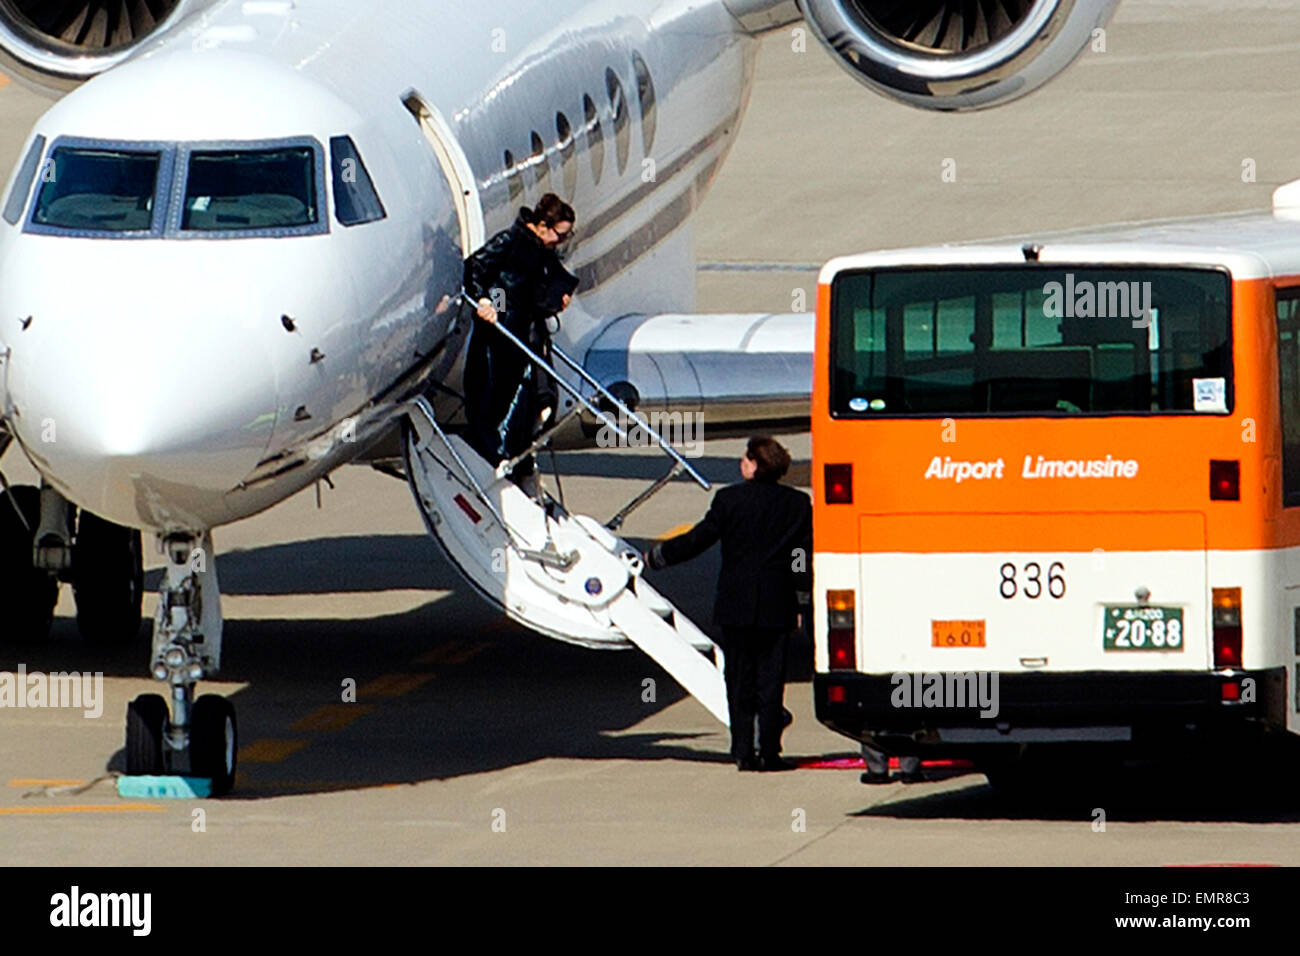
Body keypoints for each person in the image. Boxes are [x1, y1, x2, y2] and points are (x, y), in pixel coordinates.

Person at [648, 437, 812, 772]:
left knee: (738, 680)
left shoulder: (729, 500)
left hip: (736, 604)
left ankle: (741, 750)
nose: (741, 464)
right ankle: (769, 751)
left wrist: (661, 556)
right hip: (775, 605)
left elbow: (699, 539)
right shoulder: (796, 504)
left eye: (745, 459)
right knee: (770, 681)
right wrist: (802, 598)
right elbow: (800, 558)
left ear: (755, 464)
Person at [462, 194, 579, 487]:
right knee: (498, 402)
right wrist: (486, 301)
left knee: (529, 404)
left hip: (522, 338)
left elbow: (536, 290)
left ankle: (516, 460)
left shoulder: (542, 252)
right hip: (498, 338)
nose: (561, 241)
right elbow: (477, 270)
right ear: (542, 226)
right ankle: (496, 457)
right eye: (560, 234)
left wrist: (557, 299)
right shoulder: (510, 243)